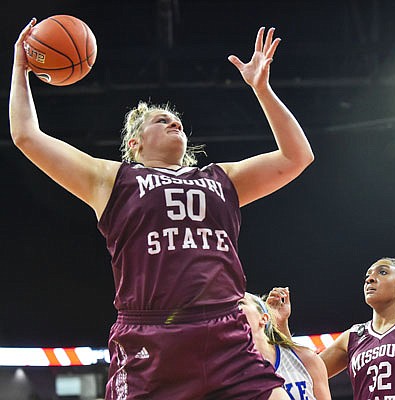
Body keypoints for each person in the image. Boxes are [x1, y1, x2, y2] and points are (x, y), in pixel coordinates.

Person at [10, 18, 314, 400]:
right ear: (135, 143)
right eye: (161, 120)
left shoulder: (222, 179)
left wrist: (262, 89)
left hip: (226, 334)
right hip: (150, 342)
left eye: (176, 120)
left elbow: (298, 156)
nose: (173, 121)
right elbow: (26, 135)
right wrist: (20, 68)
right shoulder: (111, 179)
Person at [267, 258, 395, 400]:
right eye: (367, 276)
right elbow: (305, 370)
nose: (370, 279)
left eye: (383, 272)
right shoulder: (352, 336)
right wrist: (281, 323)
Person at [239, 292, 331, 400]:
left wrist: (280, 323)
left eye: (240, 303)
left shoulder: (306, 358)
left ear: (264, 318)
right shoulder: (228, 372)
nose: (232, 311)